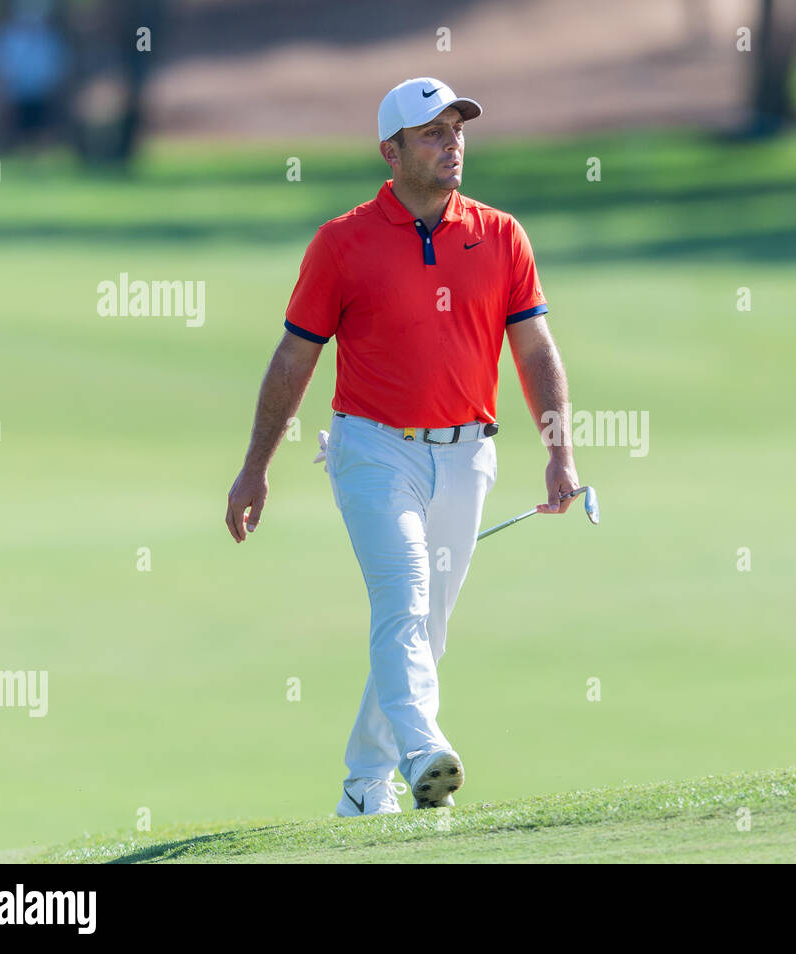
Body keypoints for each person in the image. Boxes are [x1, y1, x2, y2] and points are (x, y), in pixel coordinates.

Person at [224, 77, 582, 815]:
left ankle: (363, 787)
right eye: (432, 134)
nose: (452, 145)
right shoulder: (341, 243)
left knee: (429, 627)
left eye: (457, 131)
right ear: (390, 152)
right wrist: (255, 468)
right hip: (372, 450)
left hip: (467, 454)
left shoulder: (501, 234)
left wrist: (559, 450)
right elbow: (295, 358)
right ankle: (424, 753)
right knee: (403, 603)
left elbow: (536, 351)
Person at [0, 0, 68, 146]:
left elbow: (59, 64)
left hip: (43, 94)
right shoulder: (6, 35)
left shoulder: (50, 37)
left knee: (41, 129)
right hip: (13, 94)